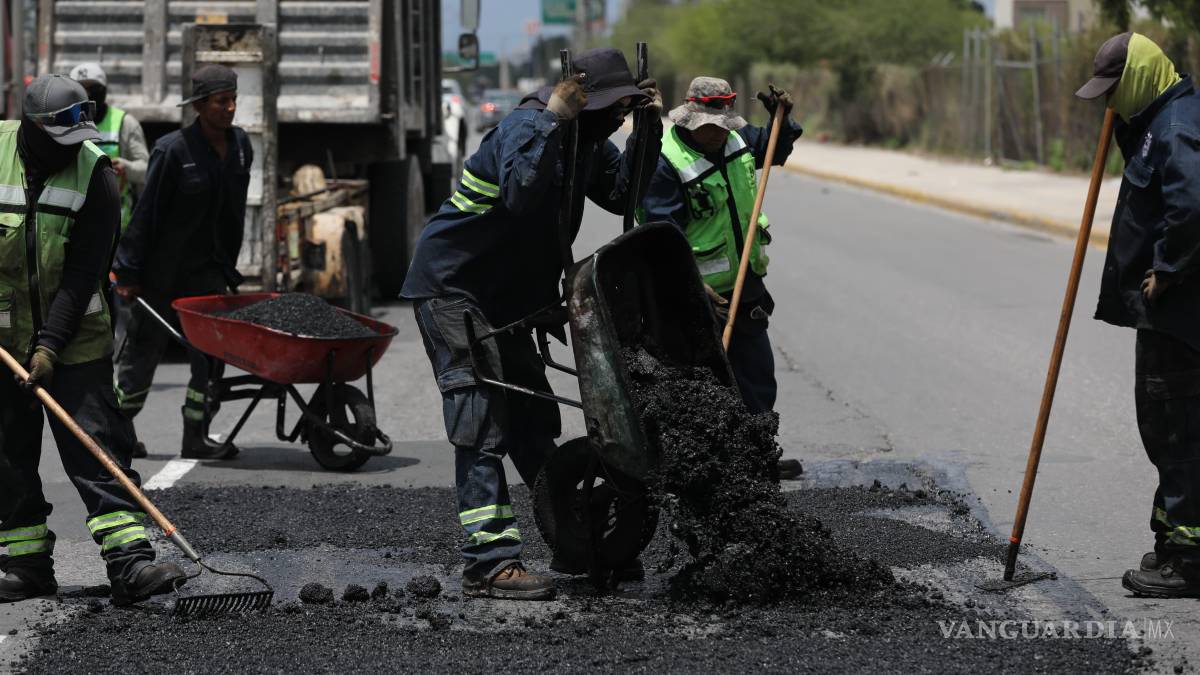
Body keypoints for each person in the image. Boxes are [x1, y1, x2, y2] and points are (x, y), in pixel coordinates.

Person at [401, 48, 661, 600]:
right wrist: (553, 121)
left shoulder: (588, 141)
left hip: (508, 299)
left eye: (625, 110)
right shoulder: (527, 126)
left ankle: (574, 540)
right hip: (455, 290)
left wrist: (648, 131)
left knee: (533, 423)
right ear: (581, 100)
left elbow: (624, 194)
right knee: (480, 421)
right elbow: (521, 193)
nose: (617, 118)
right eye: (615, 109)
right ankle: (489, 564)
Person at [0, 74, 186, 604]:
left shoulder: (97, 175)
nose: (71, 150)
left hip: (76, 339)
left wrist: (49, 347)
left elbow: (84, 273)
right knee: (7, 457)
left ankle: (131, 565)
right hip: (4, 334)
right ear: (32, 129)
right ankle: (27, 566)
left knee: (97, 449)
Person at [1075, 32, 1200, 597]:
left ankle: (1189, 559)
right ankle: (1175, 541)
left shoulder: (1176, 127)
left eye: (1113, 90)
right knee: (1170, 428)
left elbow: (1191, 204)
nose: (1108, 101)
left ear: (1139, 77)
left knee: (1176, 429)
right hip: (1170, 313)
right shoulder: (1159, 120)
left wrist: (1166, 268)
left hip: (1179, 313)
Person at [638, 76, 804, 479]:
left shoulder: (737, 139)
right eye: (708, 127)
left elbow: (775, 147)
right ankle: (700, 466)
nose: (717, 134)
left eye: (722, 125)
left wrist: (782, 118)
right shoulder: (665, 161)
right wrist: (689, 284)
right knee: (700, 381)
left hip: (745, 283)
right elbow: (661, 236)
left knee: (756, 376)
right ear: (689, 119)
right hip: (694, 291)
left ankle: (758, 458)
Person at [111, 64, 253, 460]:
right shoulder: (172, 150)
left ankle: (196, 435)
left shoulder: (241, 146)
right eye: (221, 101)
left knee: (210, 358)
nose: (230, 108)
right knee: (142, 356)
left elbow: (234, 212)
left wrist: (227, 266)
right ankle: (116, 432)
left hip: (208, 271)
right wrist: (128, 271)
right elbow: (146, 213)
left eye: (233, 100)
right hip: (162, 274)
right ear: (200, 105)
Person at [68, 62, 149, 231]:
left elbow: (147, 169)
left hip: (116, 226)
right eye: (81, 88)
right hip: (72, 222)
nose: (87, 94)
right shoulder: (63, 124)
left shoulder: (125, 123)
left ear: (103, 90)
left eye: (92, 88)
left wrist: (126, 167)